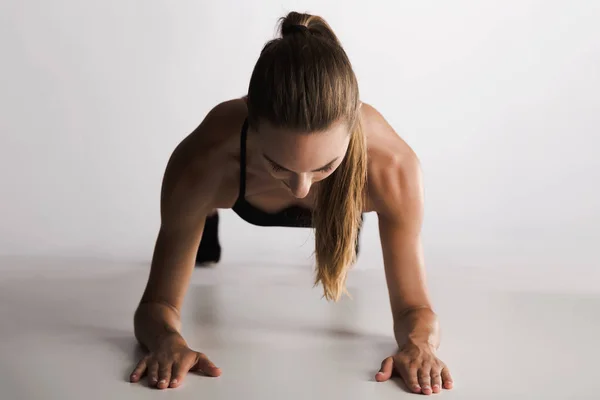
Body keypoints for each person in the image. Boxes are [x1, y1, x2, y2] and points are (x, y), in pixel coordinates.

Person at [129, 11, 454, 396]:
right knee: (200, 237)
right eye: (277, 165)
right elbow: (156, 305)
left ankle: (330, 195)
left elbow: (414, 309)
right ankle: (209, 222)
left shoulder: (392, 168)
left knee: (343, 228)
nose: (300, 190)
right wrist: (168, 340)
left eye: (324, 166)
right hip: (227, 190)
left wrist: (418, 345)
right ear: (251, 124)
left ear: (351, 134)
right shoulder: (205, 162)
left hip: (352, 192)